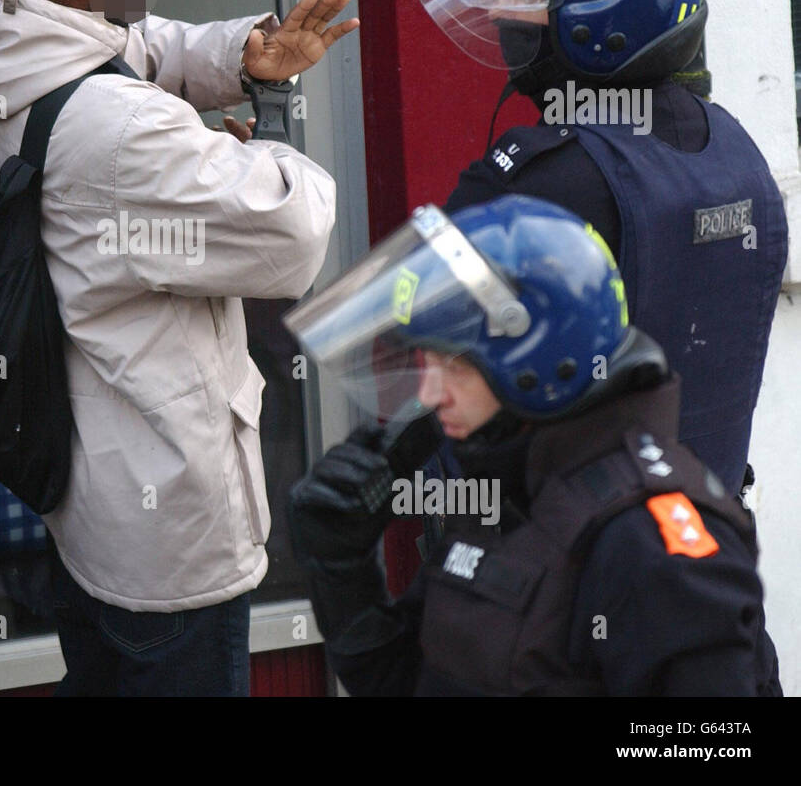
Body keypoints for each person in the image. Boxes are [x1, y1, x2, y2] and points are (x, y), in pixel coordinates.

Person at [0, 0, 352, 695]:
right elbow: (292, 233)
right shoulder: (122, 132)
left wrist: (245, 52)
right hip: (172, 545)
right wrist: (270, 122)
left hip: (93, 499)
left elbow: (132, 50)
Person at [284, 195, 781, 696]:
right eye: (423, 362)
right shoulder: (508, 493)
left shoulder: (648, 541)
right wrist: (342, 573)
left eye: (453, 365)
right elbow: (412, 685)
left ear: (539, 361)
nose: (429, 394)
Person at [415, 0, 787, 495]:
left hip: (555, 572)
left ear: (604, 18)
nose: (503, 7)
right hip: (705, 555)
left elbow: (431, 353)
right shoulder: (735, 149)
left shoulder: (541, 181)